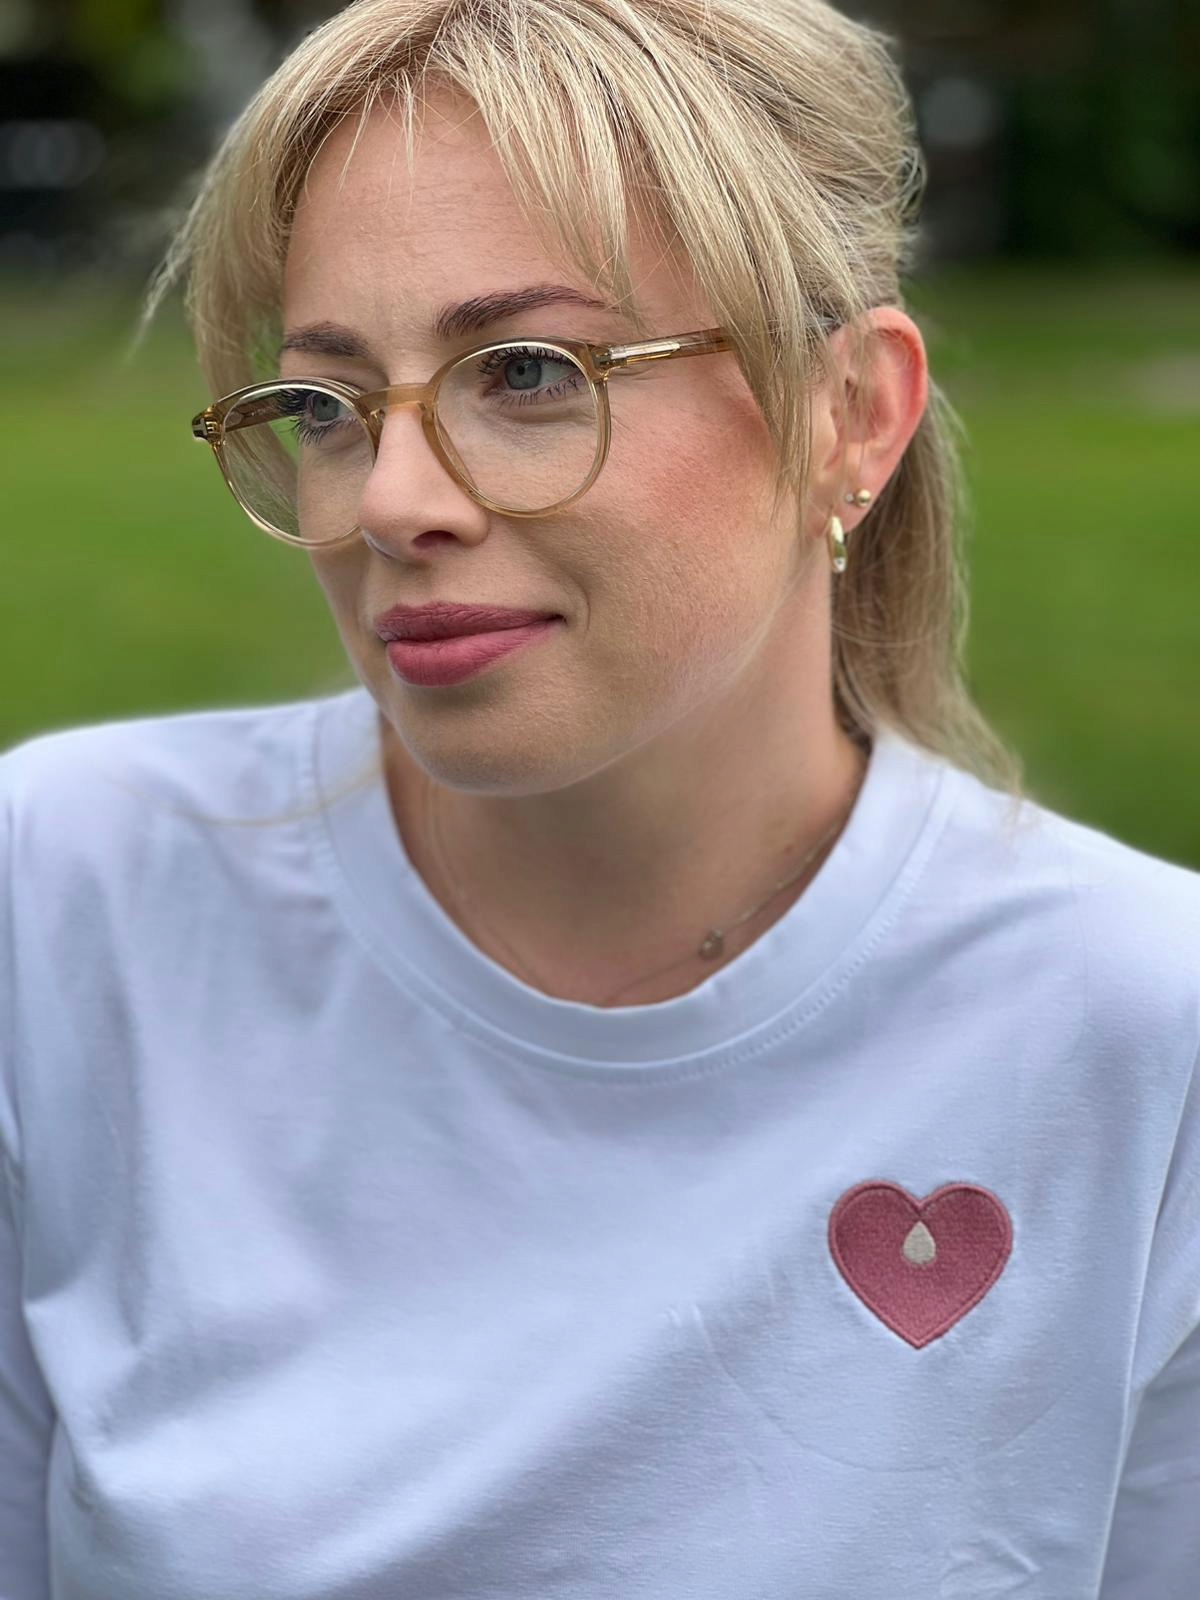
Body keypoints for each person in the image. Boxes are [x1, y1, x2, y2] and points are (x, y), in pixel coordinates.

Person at [2, 0, 1197, 1593]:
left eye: (527, 371)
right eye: (327, 405)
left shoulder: (1139, 1035)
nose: (392, 502)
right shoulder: (68, 898)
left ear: (851, 413)